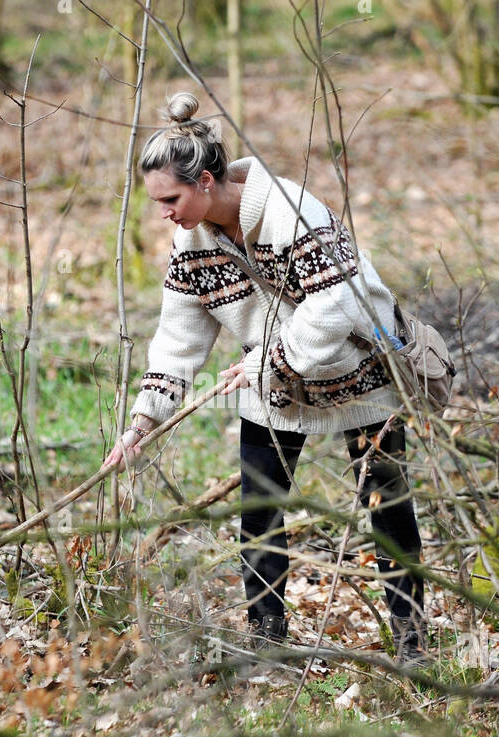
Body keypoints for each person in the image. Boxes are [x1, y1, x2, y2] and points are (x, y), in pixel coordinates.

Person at [103, 92, 429, 665]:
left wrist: (266, 361)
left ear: (206, 181)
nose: (165, 213)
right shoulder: (193, 239)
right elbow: (179, 333)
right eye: (157, 202)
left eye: (171, 199)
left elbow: (335, 306)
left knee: (387, 503)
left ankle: (412, 638)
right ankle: (267, 639)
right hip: (274, 379)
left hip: (361, 370)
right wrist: (143, 419)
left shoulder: (292, 213)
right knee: (260, 508)